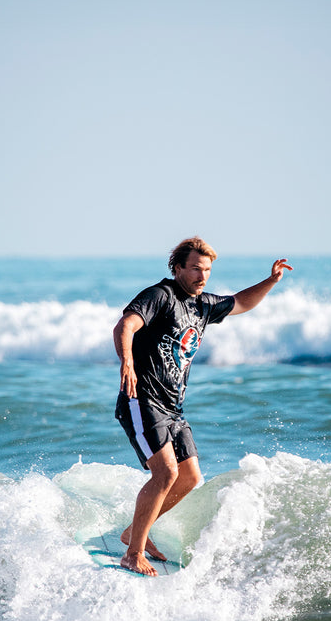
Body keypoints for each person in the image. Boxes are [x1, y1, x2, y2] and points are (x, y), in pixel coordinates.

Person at [113, 237, 292, 576]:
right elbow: (126, 324)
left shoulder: (203, 306)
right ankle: (133, 553)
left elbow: (240, 302)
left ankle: (133, 534)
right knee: (165, 473)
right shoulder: (160, 296)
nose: (202, 275)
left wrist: (270, 281)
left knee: (190, 477)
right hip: (143, 399)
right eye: (195, 268)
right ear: (178, 267)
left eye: (207, 269)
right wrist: (127, 362)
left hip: (173, 408)